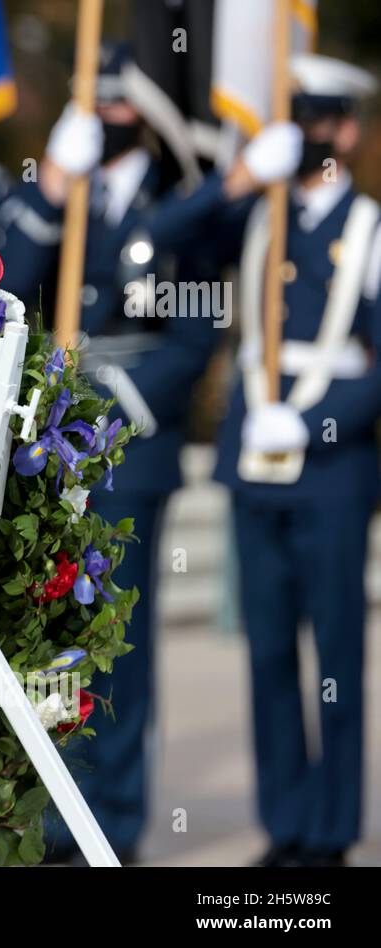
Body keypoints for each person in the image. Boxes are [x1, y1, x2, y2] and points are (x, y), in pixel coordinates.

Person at [125, 53, 380, 866]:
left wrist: (319, 422)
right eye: (296, 119)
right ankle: (286, 821)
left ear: (349, 130)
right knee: (268, 649)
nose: (307, 136)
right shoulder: (260, 214)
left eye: (320, 121)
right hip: (251, 463)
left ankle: (333, 828)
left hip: (332, 466)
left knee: (335, 653)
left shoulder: (370, 229)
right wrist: (236, 180)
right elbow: (151, 242)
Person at [0, 43, 223, 864]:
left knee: (116, 641)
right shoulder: (60, 193)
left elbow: (200, 326)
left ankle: (112, 825)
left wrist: (115, 411)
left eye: (124, 104)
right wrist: (53, 184)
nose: (112, 118)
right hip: (48, 449)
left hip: (128, 446)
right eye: (101, 103)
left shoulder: (179, 205)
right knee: (50, 635)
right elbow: (5, 281)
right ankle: (51, 820)